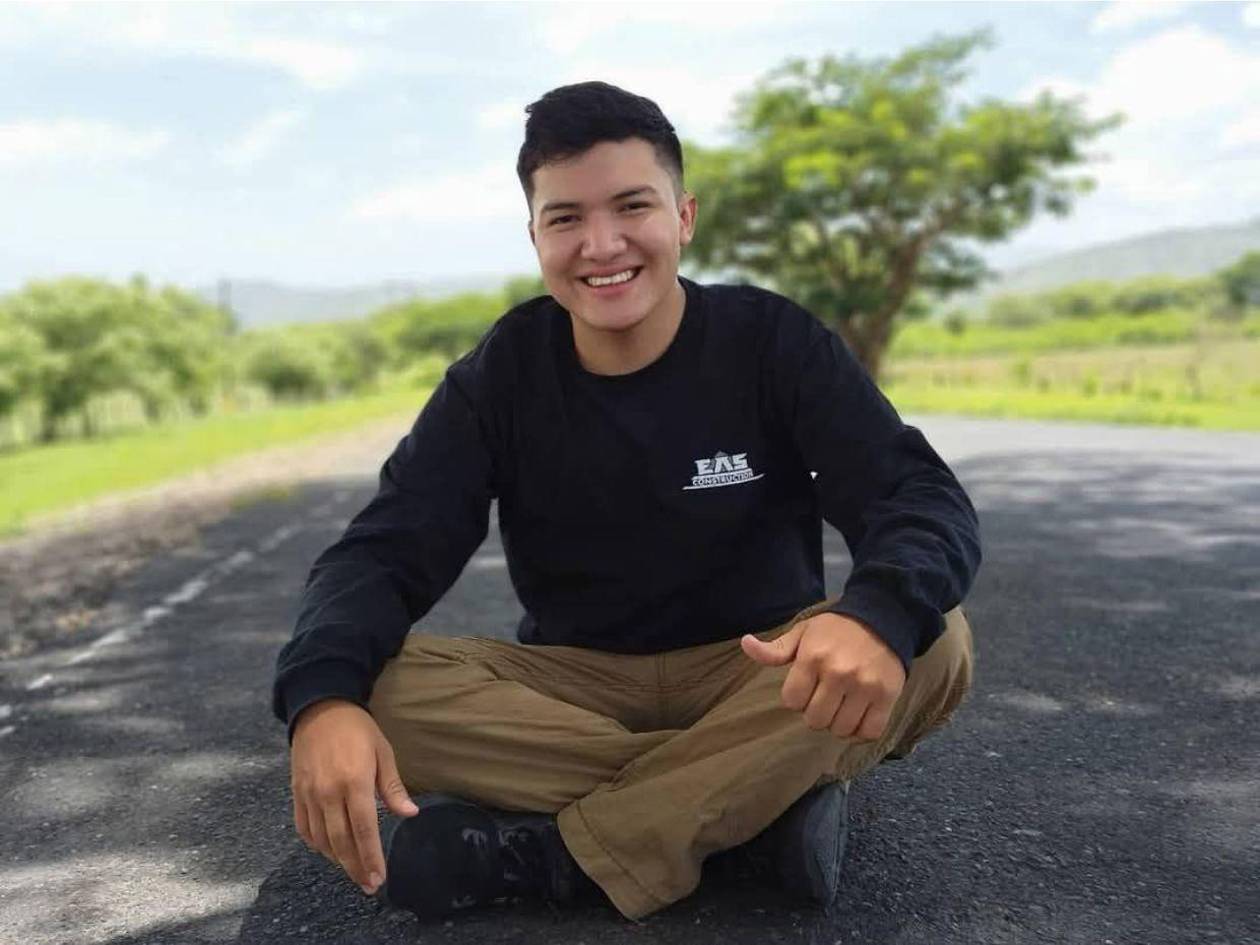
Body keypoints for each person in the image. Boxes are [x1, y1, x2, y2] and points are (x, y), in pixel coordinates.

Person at [271, 80, 980, 923]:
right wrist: (321, 701)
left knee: (931, 638)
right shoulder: (501, 376)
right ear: (536, 236)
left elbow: (917, 494)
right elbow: (385, 547)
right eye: (565, 217)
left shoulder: (772, 342)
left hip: (759, 668)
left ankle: (562, 854)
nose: (601, 244)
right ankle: (746, 805)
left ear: (684, 216)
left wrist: (871, 617)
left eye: (632, 206)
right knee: (376, 689)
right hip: (573, 683)